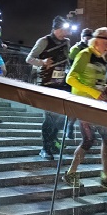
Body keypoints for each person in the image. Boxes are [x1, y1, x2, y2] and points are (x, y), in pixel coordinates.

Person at [63, 27, 107, 189]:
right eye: (106, 42)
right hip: (84, 105)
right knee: (89, 139)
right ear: (97, 40)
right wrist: (93, 92)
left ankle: (106, 176)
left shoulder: (100, 59)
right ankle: (71, 173)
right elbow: (70, 79)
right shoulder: (84, 54)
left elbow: (97, 82)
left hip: (98, 105)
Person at [26, 16, 72, 160]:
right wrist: (43, 62)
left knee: (60, 118)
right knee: (50, 117)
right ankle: (45, 147)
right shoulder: (44, 41)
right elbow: (29, 58)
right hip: (46, 83)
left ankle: (52, 142)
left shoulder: (67, 42)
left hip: (61, 83)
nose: (66, 33)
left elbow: (68, 59)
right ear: (56, 29)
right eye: (64, 29)